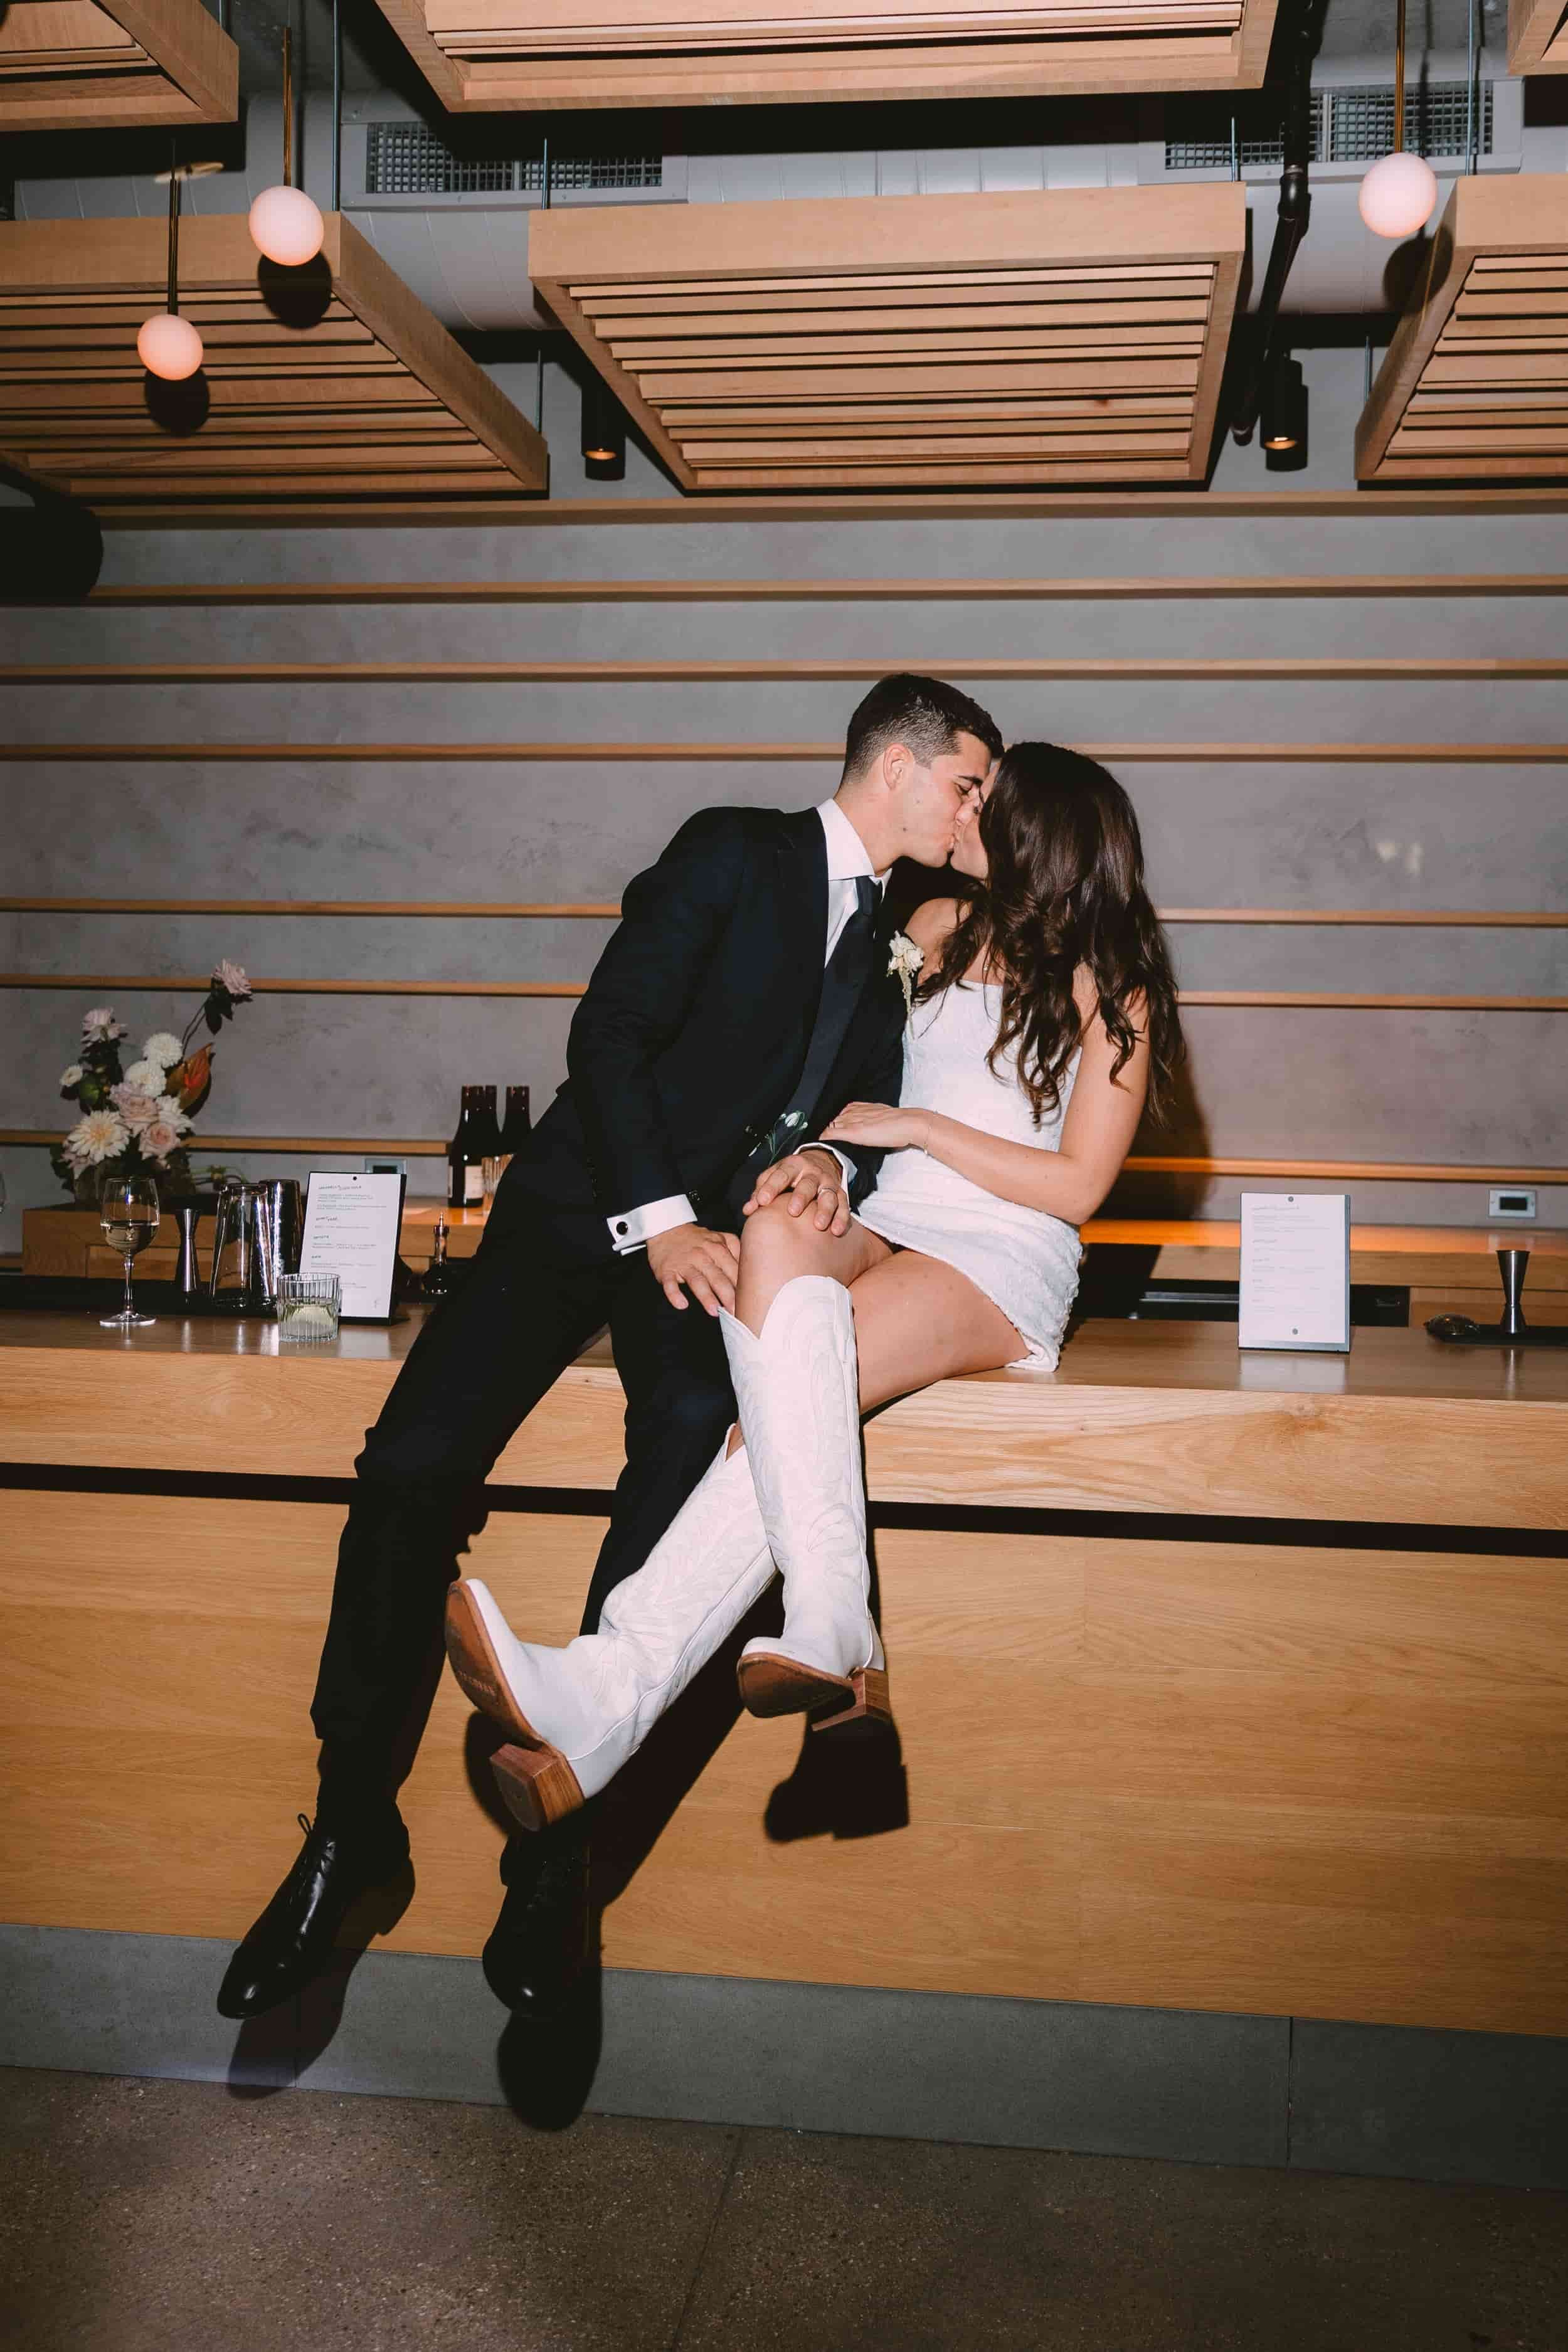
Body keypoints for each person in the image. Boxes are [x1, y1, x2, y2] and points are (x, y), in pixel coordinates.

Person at [217, 672, 1002, 2023]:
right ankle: (352, 1829)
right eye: (967, 784)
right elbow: (611, 1033)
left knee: (696, 1457)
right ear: (899, 766)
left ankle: (558, 1851)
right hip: (590, 1207)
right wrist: (658, 1228)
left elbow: (853, 1117)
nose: (976, 808)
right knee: (406, 1467)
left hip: (715, 1255)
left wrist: (818, 1162)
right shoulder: (734, 850)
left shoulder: (895, 944)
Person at [441, 743, 1184, 1824]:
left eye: (988, 798)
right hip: (888, 1219)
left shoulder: (1110, 986)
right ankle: (833, 1618)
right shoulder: (931, 931)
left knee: (774, 1423)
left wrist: (922, 1126)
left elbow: (1077, 1186)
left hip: (1000, 1252)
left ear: (1038, 834)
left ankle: (610, 1687)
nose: (964, 807)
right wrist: (831, 1158)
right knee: (777, 1224)